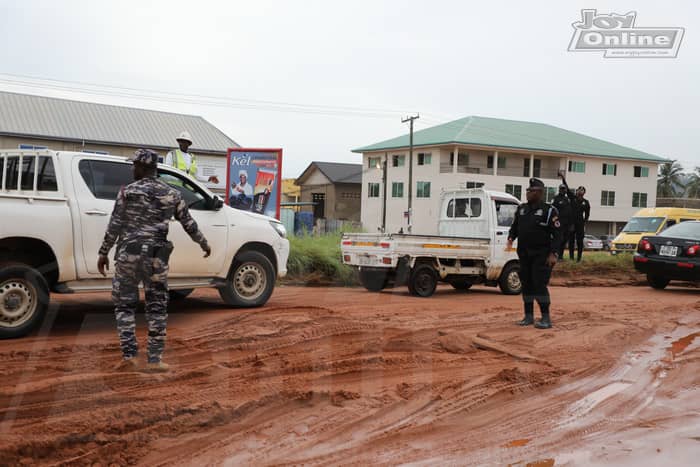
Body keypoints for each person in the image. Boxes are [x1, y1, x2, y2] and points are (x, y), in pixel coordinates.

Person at [97, 149, 211, 372]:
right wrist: (203, 243)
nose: (133, 168)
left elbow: (115, 224)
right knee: (157, 306)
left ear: (143, 167)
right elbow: (189, 223)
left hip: (128, 255)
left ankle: (130, 356)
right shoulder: (171, 193)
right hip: (156, 258)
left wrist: (103, 252)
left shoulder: (127, 192)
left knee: (124, 305)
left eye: (135, 165)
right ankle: (155, 360)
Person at [506, 178, 561, 329]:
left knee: (539, 284)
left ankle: (545, 317)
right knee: (527, 284)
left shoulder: (549, 211)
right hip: (524, 254)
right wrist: (511, 237)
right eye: (527, 191)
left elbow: (558, 235)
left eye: (531, 191)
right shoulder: (522, 209)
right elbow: (515, 226)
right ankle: (528, 316)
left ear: (539, 192)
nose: (528, 193)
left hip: (541, 255)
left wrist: (554, 253)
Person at [560, 175, 590, 262]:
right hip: (571, 223)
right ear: (576, 191)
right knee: (571, 241)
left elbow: (587, 214)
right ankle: (571, 258)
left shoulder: (586, 202)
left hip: (580, 224)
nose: (580, 191)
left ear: (584, 192)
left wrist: (584, 222)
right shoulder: (573, 198)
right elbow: (567, 189)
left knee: (580, 241)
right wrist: (563, 178)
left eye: (582, 190)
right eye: (579, 189)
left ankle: (579, 259)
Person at [552, 184, 573, 260]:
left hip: (567, 224)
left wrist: (571, 224)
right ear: (559, 189)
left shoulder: (567, 199)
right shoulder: (556, 199)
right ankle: (556, 255)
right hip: (559, 223)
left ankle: (561, 256)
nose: (563, 190)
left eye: (564, 189)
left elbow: (570, 212)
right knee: (559, 239)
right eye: (562, 189)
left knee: (564, 240)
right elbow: (553, 210)